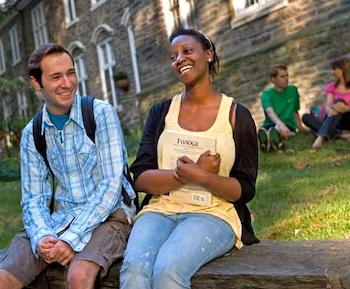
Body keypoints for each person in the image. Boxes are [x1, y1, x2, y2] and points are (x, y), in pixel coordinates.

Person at [119, 28, 259, 289]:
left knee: (168, 270)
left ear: (208, 54)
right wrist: (180, 174)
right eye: (173, 57)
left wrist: (202, 176)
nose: (179, 59)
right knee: (135, 270)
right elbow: (140, 178)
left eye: (186, 51)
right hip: (159, 211)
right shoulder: (161, 113)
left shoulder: (236, 115)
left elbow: (245, 188)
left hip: (213, 214)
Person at [0, 43, 136, 289]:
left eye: (70, 73)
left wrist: (72, 240)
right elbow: (34, 198)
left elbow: (110, 186)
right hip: (60, 219)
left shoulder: (100, 114)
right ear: (36, 83)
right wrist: (43, 236)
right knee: (3, 278)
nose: (67, 83)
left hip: (111, 217)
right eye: (55, 77)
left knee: (78, 275)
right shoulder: (33, 133)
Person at [302, 57, 350, 148]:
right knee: (305, 117)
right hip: (334, 119)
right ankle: (341, 135)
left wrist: (346, 108)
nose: (332, 72)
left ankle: (320, 137)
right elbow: (329, 104)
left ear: (343, 69)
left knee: (340, 102)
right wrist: (329, 110)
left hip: (347, 119)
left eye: (334, 69)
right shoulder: (331, 86)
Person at [258, 65, 305, 151]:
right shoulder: (266, 94)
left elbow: (295, 110)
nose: (286, 79)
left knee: (277, 130)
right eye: (282, 76)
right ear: (273, 79)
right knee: (270, 130)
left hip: (288, 125)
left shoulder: (293, 90)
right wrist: (280, 124)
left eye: (287, 76)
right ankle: (269, 140)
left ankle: (269, 142)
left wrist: (300, 127)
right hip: (271, 124)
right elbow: (269, 111)